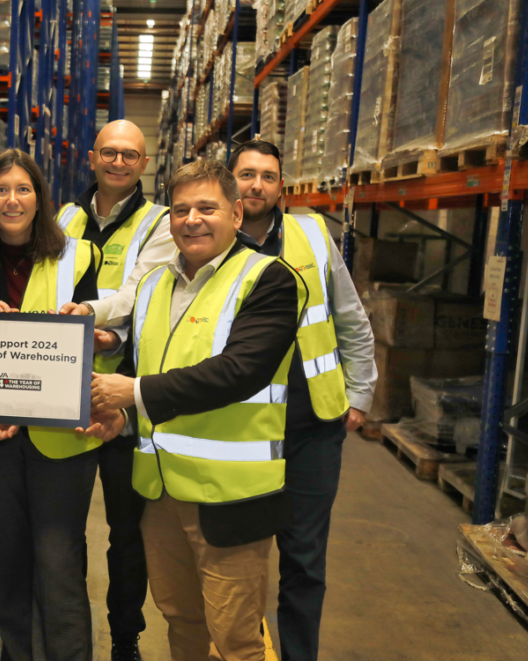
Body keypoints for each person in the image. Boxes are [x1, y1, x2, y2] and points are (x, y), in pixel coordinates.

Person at [88, 158, 304, 661]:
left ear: (234, 212)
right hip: (160, 490)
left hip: (230, 498)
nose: (191, 219)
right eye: (180, 209)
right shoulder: (153, 286)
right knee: (180, 621)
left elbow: (238, 372)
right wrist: (123, 418)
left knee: (235, 637)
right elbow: (154, 366)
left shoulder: (268, 279)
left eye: (206, 208)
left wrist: (132, 394)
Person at [0, 148, 101, 661]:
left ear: (40, 197)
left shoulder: (79, 256)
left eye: (23, 189)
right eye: (0, 190)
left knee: (58, 565)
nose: (12, 200)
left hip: (58, 439)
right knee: (8, 563)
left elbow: (101, 336)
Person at [228, 140, 376, 661]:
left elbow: (352, 319)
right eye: (247, 174)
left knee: (305, 561)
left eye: (268, 176)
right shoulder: (209, 241)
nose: (257, 185)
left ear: (280, 186)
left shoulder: (313, 236)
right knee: (237, 563)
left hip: (313, 427)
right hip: (238, 433)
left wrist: (359, 393)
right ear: (231, 182)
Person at [55, 119, 175, 660]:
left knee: (127, 533)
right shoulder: (64, 217)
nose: (119, 162)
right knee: (63, 528)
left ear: (144, 163)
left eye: (130, 154)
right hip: (62, 388)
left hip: (125, 393)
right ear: (92, 157)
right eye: (110, 152)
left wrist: (88, 316)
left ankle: (125, 638)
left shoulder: (161, 223)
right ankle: (68, 630)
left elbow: (137, 292)